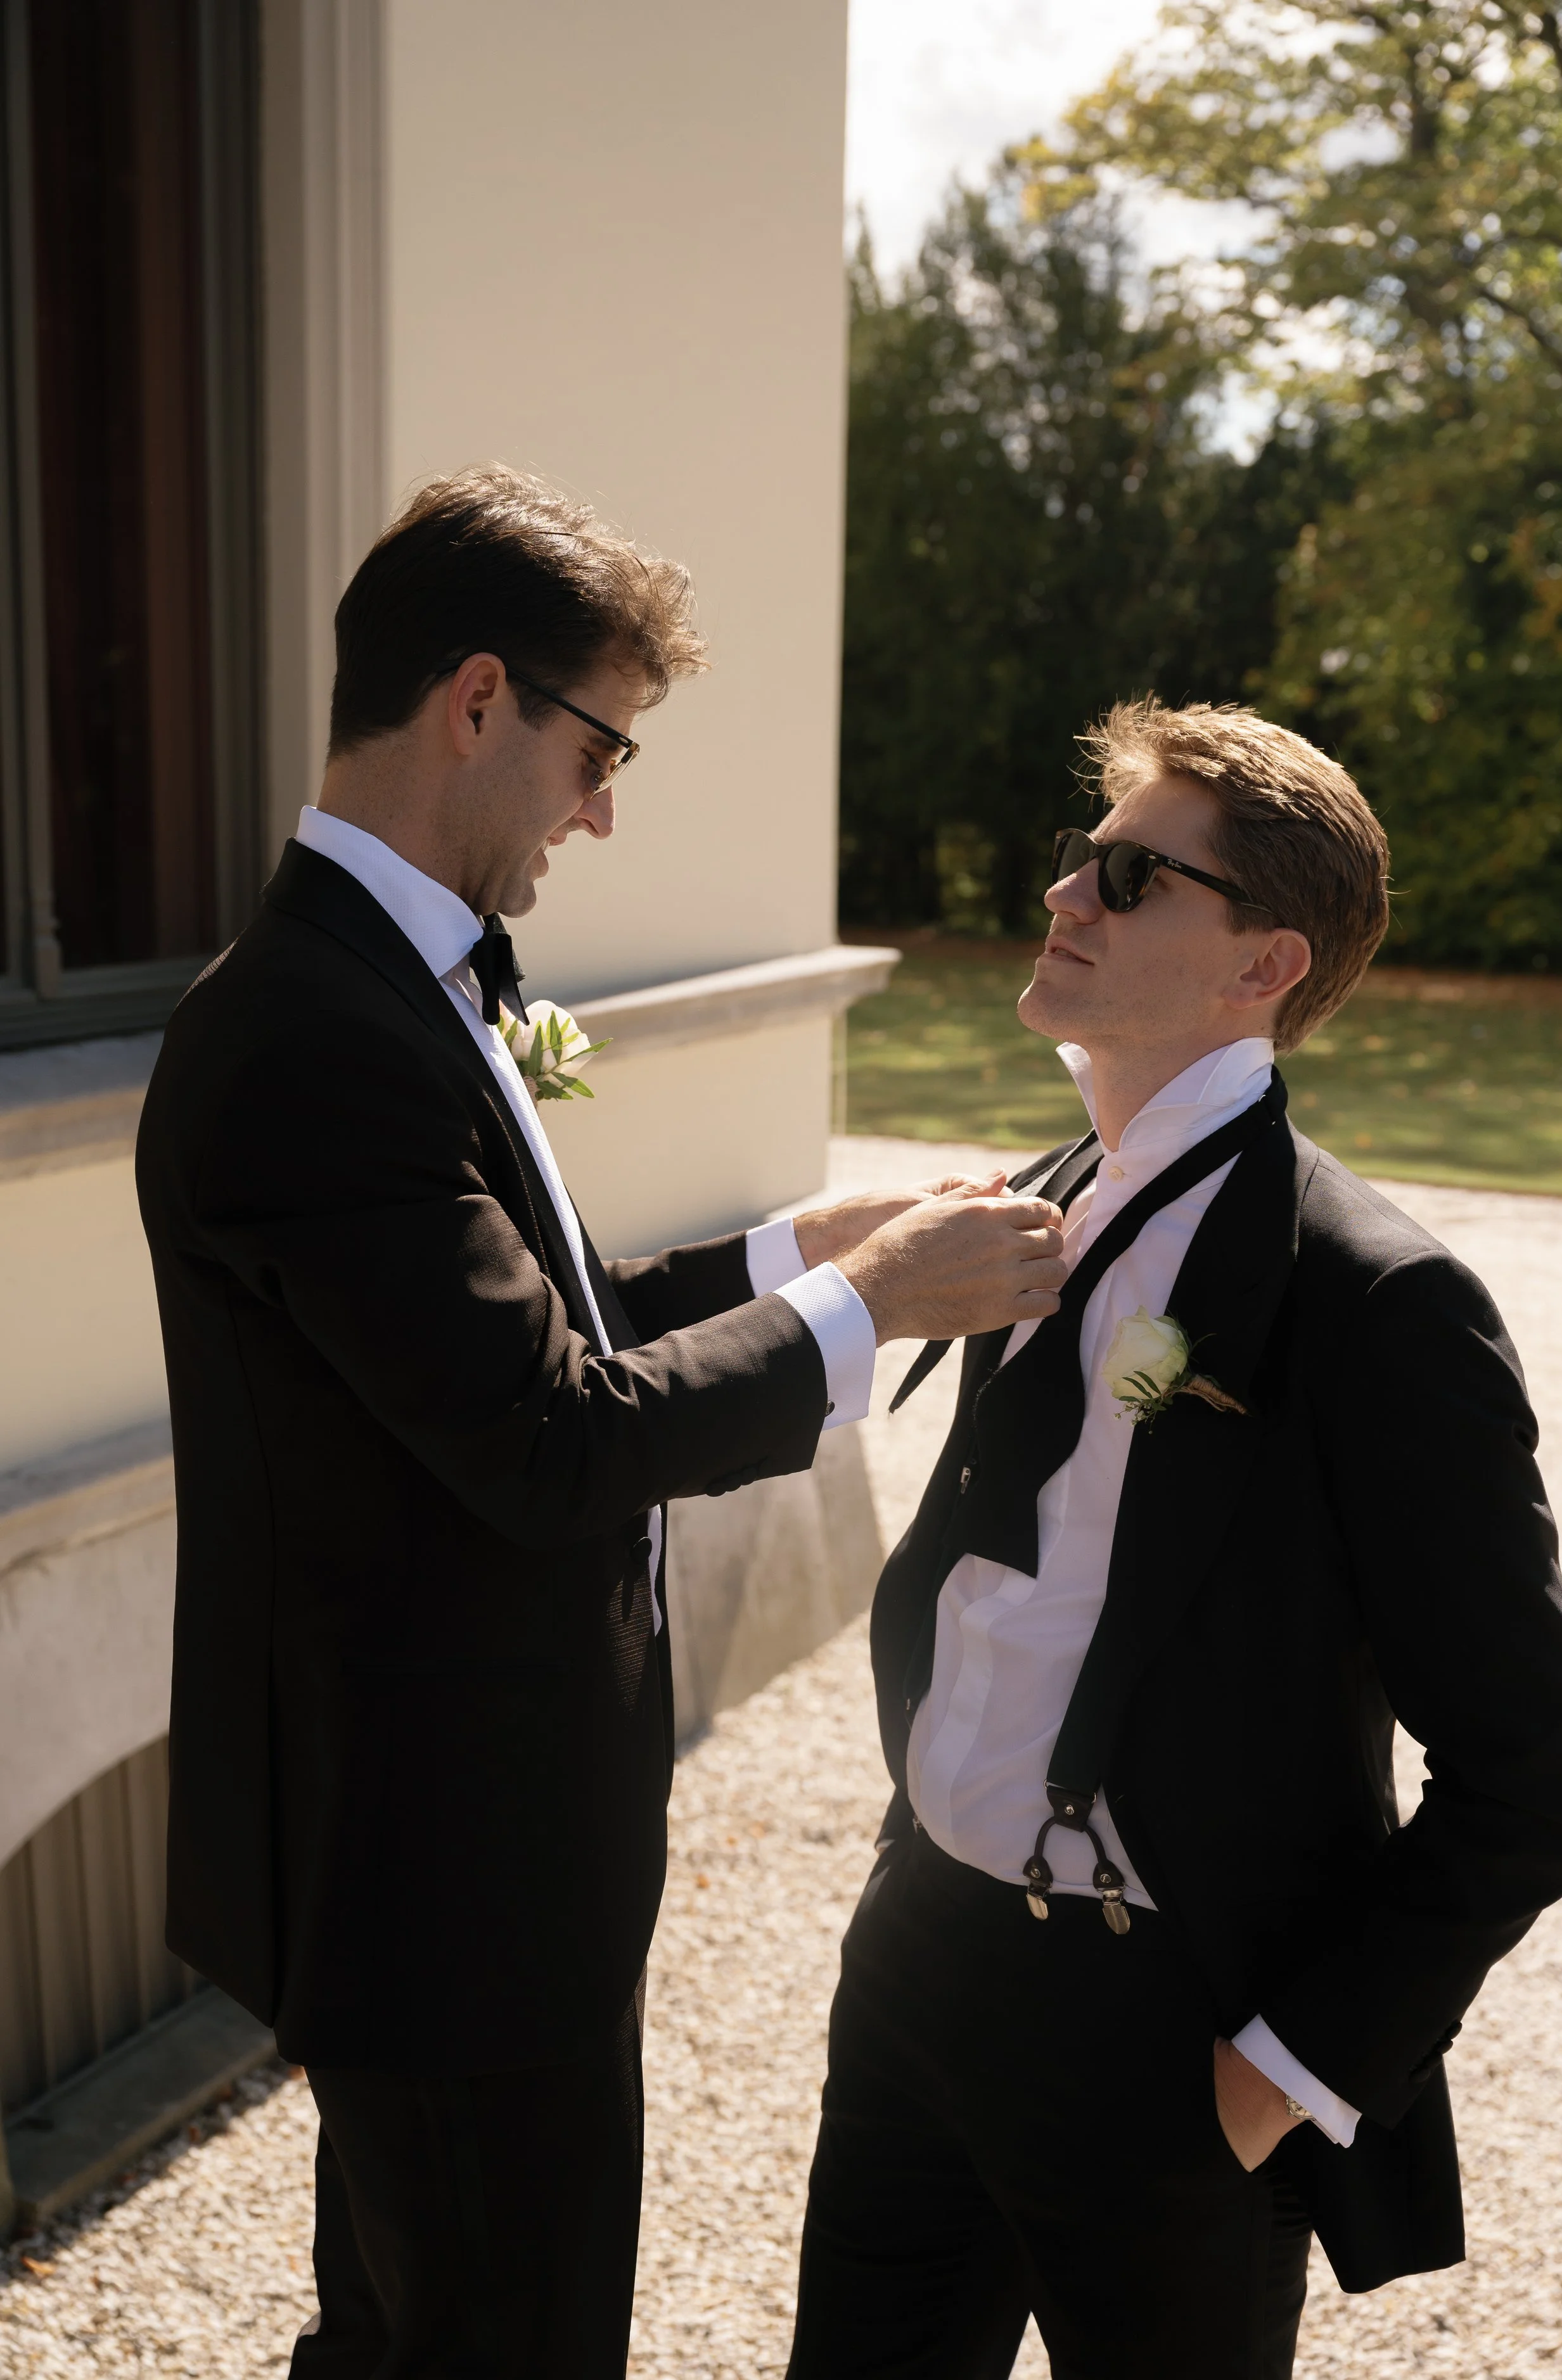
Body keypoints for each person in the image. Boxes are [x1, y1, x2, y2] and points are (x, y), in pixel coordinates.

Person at [134, 465, 1068, 2379]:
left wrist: (785, 1251)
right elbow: (547, 1442)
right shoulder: (316, 1027)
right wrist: (871, 1307)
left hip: (461, 1843)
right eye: (596, 746)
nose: (602, 806)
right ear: (477, 700)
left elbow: (507, 1337)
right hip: (441, 1867)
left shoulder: (383, 978)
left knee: (407, 2326)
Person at [784, 699, 1562, 2380]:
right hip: (916, 1962)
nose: (1067, 892)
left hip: (1165, 2034)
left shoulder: (1379, 1303)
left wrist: (1277, 2069)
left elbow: (1535, 1767)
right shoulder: (1032, 1198)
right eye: (1084, 855)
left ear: (1261, 964)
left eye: (1132, 875)